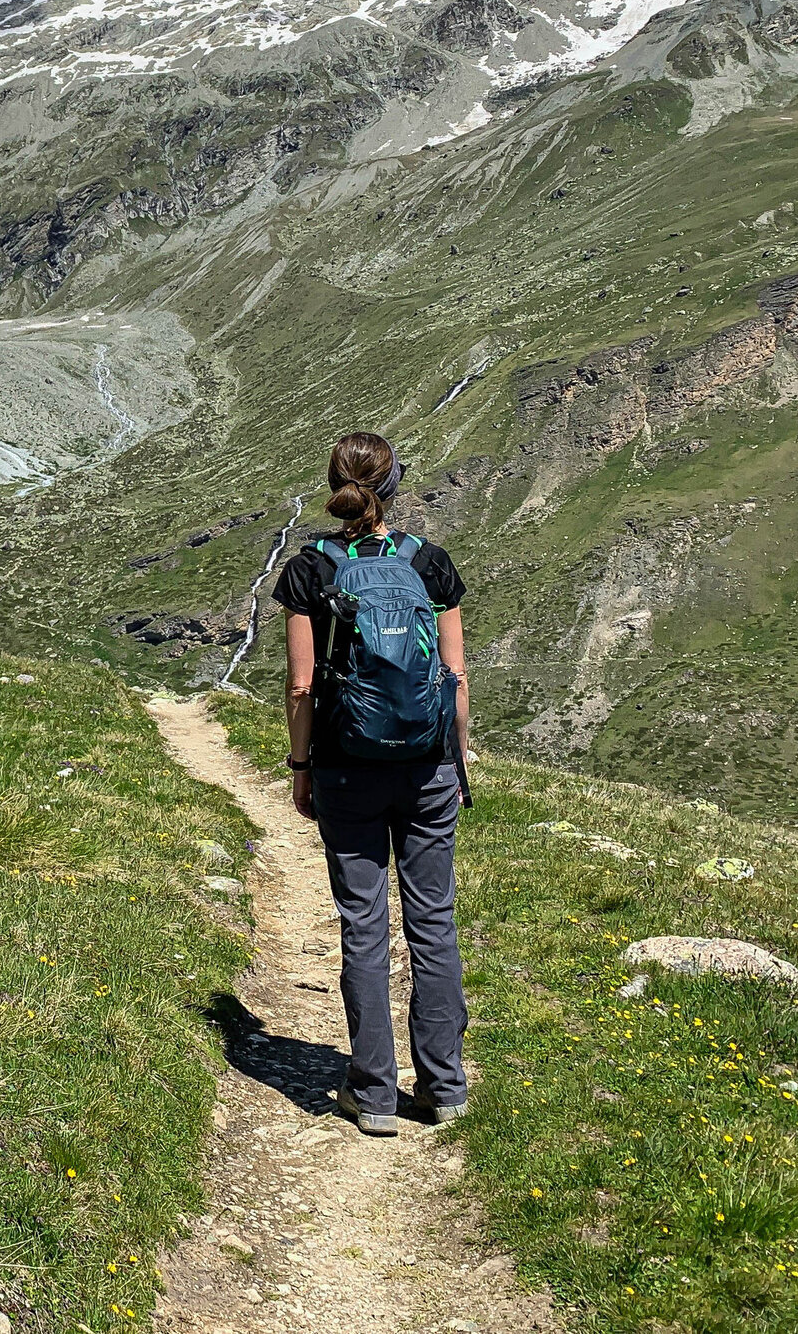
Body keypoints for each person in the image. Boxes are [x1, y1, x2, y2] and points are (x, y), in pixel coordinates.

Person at [272, 430, 471, 1137]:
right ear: (394, 486)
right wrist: (456, 763)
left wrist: (301, 768)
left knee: (365, 925)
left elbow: (302, 685)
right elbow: (454, 677)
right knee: (433, 923)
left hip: (347, 767)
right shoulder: (431, 564)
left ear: (335, 485)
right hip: (426, 767)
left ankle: (375, 1092)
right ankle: (444, 1085)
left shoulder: (309, 570)